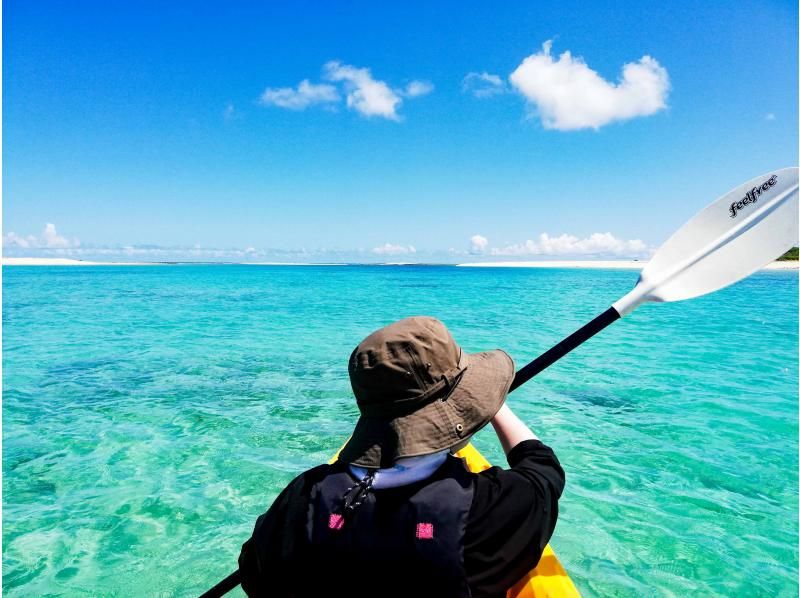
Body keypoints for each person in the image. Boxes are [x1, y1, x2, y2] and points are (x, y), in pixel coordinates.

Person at [238, 316, 565, 597]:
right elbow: (543, 471)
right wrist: (493, 405)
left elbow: (254, 574)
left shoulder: (305, 496)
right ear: (463, 402)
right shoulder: (485, 509)